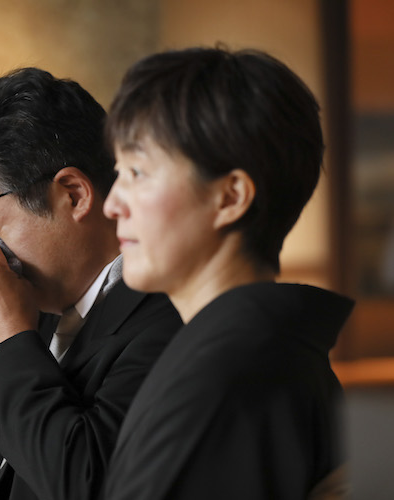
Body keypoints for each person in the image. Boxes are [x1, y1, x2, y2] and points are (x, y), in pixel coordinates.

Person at [0, 67, 183, 500]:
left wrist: (10, 339)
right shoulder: (39, 305)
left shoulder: (167, 322)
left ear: (73, 194)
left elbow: (87, 480)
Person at [101, 47, 355, 500]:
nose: (112, 204)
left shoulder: (230, 376)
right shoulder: (261, 349)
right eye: (118, 172)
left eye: (138, 172)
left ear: (230, 196)